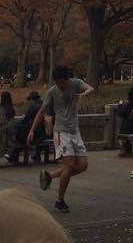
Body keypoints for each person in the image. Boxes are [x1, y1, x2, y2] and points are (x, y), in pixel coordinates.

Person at [27, 65, 93, 213]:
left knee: (83, 165)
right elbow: (41, 112)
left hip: (74, 130)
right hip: (61, 131)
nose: (61, 86)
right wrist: (31, 130)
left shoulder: (75, 83)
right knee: (69, 164)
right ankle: (60, 200)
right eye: (57, 83)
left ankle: (50, 176)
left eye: (63, 83)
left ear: (68, 79)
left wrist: (86, 92)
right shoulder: (52, 92)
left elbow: (89, 87)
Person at [9, 92, 44, 164]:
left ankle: (13, 155)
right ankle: (36, 155)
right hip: (46, 132)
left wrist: (16, 125)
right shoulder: (44, 104)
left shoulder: (33, 107)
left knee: (21, 136)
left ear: (31, 99)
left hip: (36, 133)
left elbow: (25, 120)